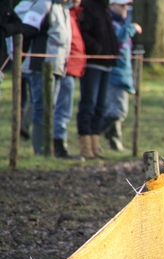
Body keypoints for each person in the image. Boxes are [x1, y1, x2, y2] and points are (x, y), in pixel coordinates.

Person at [15, 0, 71, 156]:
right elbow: (27, 30)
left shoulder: (63, 8)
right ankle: (40, 149)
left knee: (50, 108)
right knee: (41, 107)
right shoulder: (44, 4)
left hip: (58, 67)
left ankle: (47, 147)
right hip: (40, 66)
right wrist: (21, 59)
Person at [76, 0, 119, 159]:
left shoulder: (103, 8)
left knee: (101, 106)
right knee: (89, 104)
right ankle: (85, 147)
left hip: (106, 64)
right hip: (93, 64)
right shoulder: (88, 7)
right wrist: (97, 50)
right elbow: (84, 33)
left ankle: (95, 146)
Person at [102, 0, 142, 152]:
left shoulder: (120, 23)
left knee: (115, 110)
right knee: (118, 111)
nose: (125, 9)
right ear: (111, 6)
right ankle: (94, 132)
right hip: (115, 74)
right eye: (122, 5)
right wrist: (131, 28)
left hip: (122, 74)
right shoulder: (112, 24)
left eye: (126, 5)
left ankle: (115, 143)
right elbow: (117, 39)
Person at [52, 0, 85, 159]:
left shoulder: (71, 15)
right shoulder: (60, 12)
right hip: (65, 67)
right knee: (61, 110)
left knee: (63, 109)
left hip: (71, 68)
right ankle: (58, 147)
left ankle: (58, 144)